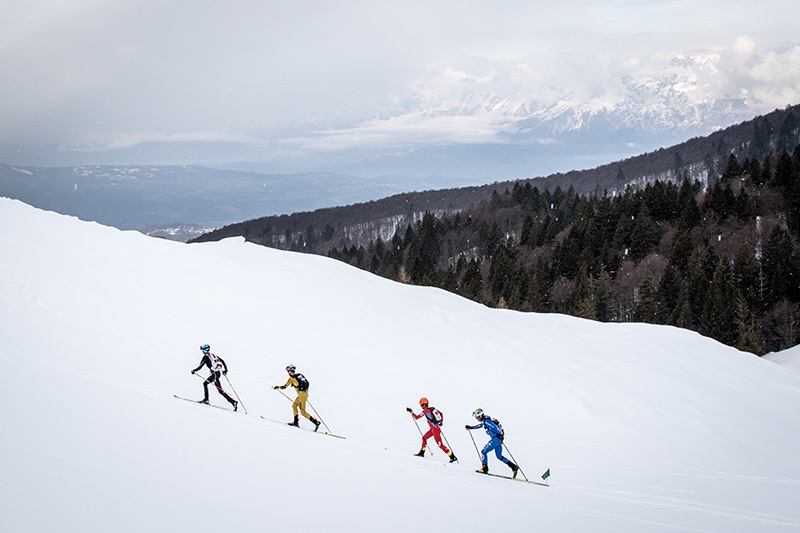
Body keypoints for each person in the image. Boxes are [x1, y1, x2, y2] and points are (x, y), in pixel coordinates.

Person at [465, 408, 517, 477]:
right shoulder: (485, 421)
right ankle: (513, 467)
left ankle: (484, 468)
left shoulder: (487, 421)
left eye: (477, 417)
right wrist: (471, 427)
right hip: (498, 440)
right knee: (499, 456)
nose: (476, 419)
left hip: (496, 439)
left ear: (480, 416)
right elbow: (481, 425)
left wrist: (500, 435)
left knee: (483, 452)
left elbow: (495, 427)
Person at [407, 397, 457, 463]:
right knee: (424, 438)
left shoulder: (425, 411)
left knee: (440, 445)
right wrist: (441, 422)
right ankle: (422, 452)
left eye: (421, 405)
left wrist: (411, 412)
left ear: (425, 404)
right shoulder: (432, 409)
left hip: (435, 430)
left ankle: (452, 457)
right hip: (434, 429)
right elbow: (441, 414)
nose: (421, 406)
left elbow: (416, 417)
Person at [273, 364, 321, 431]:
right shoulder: (299, 375)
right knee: (294, 406)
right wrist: (305, 394)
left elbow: (284, 387)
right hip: (303, 394)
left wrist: (276, 387)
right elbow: (307, 384)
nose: (288, 373)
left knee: (303, 412)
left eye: (288, 371)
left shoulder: (291, 379)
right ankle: (295, 422)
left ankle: (316, 422)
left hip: (301, 395)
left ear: (290, 371)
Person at [191, 344, 238, 411]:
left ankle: (207, 400)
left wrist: (194, 371)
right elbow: (222, 361)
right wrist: (226, 370)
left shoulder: (206, 357)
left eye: (202, 350)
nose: (202, 351)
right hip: (217, 373)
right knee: (217, 389)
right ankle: (233, 402)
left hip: (214, 375)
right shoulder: (213, 355)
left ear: (204, 350)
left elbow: (200, 366)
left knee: (208, 385)